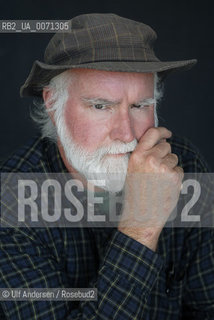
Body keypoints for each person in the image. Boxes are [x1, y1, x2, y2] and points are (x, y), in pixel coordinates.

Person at [0, 13, 213, 319]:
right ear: (51, 102)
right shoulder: (10, 201)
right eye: (101, 106)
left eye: (140, 105)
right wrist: (141, 226)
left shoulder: (184, 165)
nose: (127, 134)